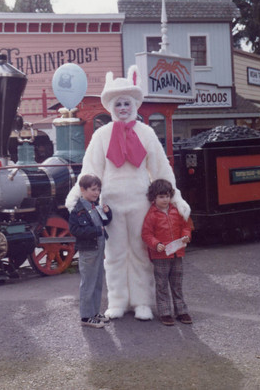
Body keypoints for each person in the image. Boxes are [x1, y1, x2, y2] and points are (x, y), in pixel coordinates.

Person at [66, 65, 190, 321]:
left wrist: (176, 196)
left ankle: (142, 301)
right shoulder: (102, 135)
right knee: (114, 255)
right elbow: (90, 170)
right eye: (118, 104)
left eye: (126, 103)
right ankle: (118, 301)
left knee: (140, 252)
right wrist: (76, 195)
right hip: (110, 205)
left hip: (139, 203)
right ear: (112, 107)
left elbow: (161, 169)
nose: (123, 108)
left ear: (134, 104)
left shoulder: (146, 133)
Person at [141, 179, 193, 326]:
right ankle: (165, 313)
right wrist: (156, 244)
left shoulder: (176, 211)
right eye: (161, 197)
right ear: (154, 198)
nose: (165, 200)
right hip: (160, 256)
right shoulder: (151, 215)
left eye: (167, 196)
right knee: (162, 285)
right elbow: (146, 234)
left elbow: (186, 226)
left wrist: (186, 236)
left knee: (177, 284)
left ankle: (181, 311)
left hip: (177, 254)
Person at [69, 174, 112, 328]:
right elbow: (74, 229)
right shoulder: (78, 210)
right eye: (93, 189)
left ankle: (94, 312)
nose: (96, 193)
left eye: (98, 189)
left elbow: (105, 221)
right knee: (88, 283)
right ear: (82, 190)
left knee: (98, 280)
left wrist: (107, 213)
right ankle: (86, 316)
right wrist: (96, 230)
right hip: (88, 250)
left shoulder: (96, 206)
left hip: (98, 248)